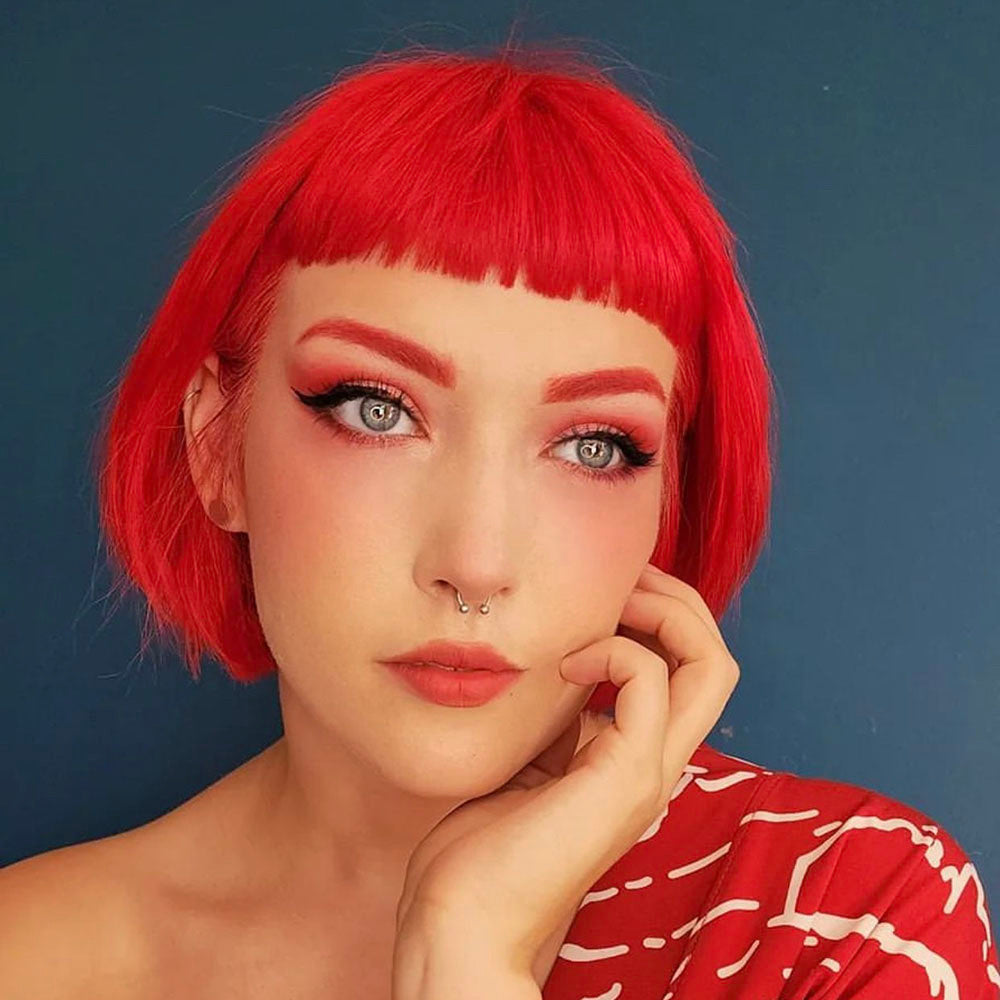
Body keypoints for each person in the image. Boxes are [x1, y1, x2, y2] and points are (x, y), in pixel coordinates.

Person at [1, 42, 996, 1000]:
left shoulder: (841, 923)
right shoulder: (29, 958)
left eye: (593, 446)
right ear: (217, 448)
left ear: (666, 499)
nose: (475, 564)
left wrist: (464, 954)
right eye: (376, 410)